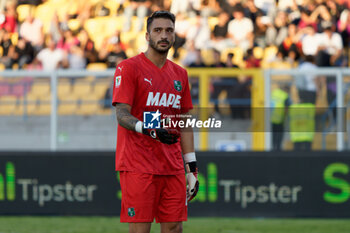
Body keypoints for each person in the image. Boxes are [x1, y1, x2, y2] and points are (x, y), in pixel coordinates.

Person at [112, 11, 199, 233]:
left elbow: (184, 122)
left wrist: (191, 169)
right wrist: (147, 129)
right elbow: (122, 114)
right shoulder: (129, 67)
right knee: (141, 230)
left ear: (174, 35)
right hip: (138, 164)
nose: (163, 35)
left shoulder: (180, 74)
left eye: (169, 30)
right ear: (147, 35)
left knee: (174, 228)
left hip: (172, 165)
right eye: (158, 30)